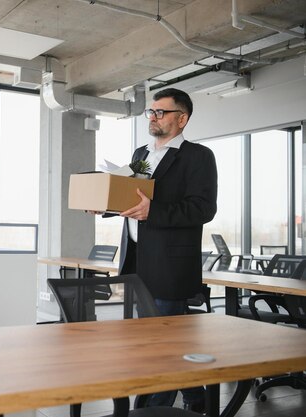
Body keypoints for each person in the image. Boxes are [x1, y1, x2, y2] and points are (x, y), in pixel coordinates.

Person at [112, 88, 218, 412]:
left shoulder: (198, 156)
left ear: (181, 118)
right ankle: (197, 400)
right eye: (151, 112)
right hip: (137, 260)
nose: (153, 117)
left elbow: (203, 209)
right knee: (159, 343)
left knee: (162, 346)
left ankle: (152, 410)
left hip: (169, 266)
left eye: (161, 112)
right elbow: (131, 198)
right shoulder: (140, 152)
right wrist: (103, 204)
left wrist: (153, 211)